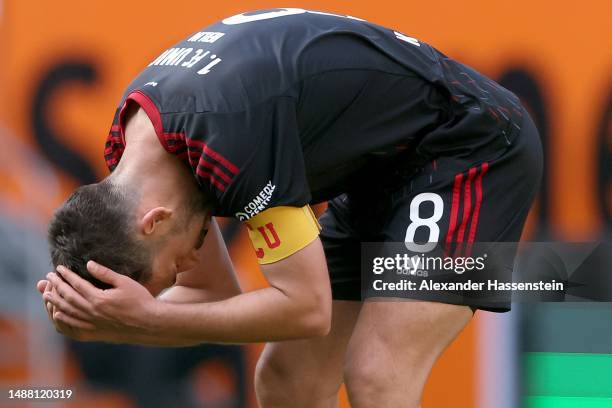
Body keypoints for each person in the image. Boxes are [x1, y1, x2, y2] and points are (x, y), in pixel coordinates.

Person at [38, 8, 542, 407]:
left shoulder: (230, 139)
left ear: (153, 222)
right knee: (286, 380)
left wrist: (147, 321)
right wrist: (107, 319)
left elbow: (307, 310)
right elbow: (212, 293)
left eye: (172, 268)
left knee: (378, 372)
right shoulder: (139, 158)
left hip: (472, 145)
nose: (188, 267)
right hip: (381, 172)